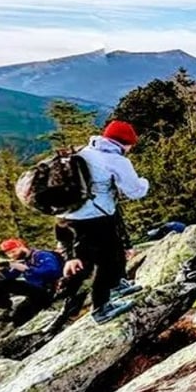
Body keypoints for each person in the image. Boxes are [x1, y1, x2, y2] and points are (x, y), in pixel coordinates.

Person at [57, 120, 149, 324]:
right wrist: (145, 182)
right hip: (95, 219)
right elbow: (135, 191)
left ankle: (116, 285)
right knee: (107, 262)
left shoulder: (85, 151)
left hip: (67, 217)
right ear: (125, 143)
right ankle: (101, 307)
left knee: (114, 252)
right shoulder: (116, 160)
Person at [0, 238, 62, 325]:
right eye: (8, 254)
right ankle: (7, 309)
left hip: (49, 290)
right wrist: (1, 270)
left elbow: (52, 271)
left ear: (22, 247)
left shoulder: (42, 255)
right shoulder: (23, 260)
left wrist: (27, 269)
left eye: (13, 251)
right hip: (35, 293)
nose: (12, 255)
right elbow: (11, 277)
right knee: (18, 318)